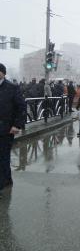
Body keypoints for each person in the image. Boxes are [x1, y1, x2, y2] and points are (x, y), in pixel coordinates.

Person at [0, 63, 26, 194]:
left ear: (3, 73)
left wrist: (17, 125)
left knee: (3, 155)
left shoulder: (12, 87)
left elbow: (21, 107)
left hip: (6, 128)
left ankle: (4, 183)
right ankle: (7, 179)